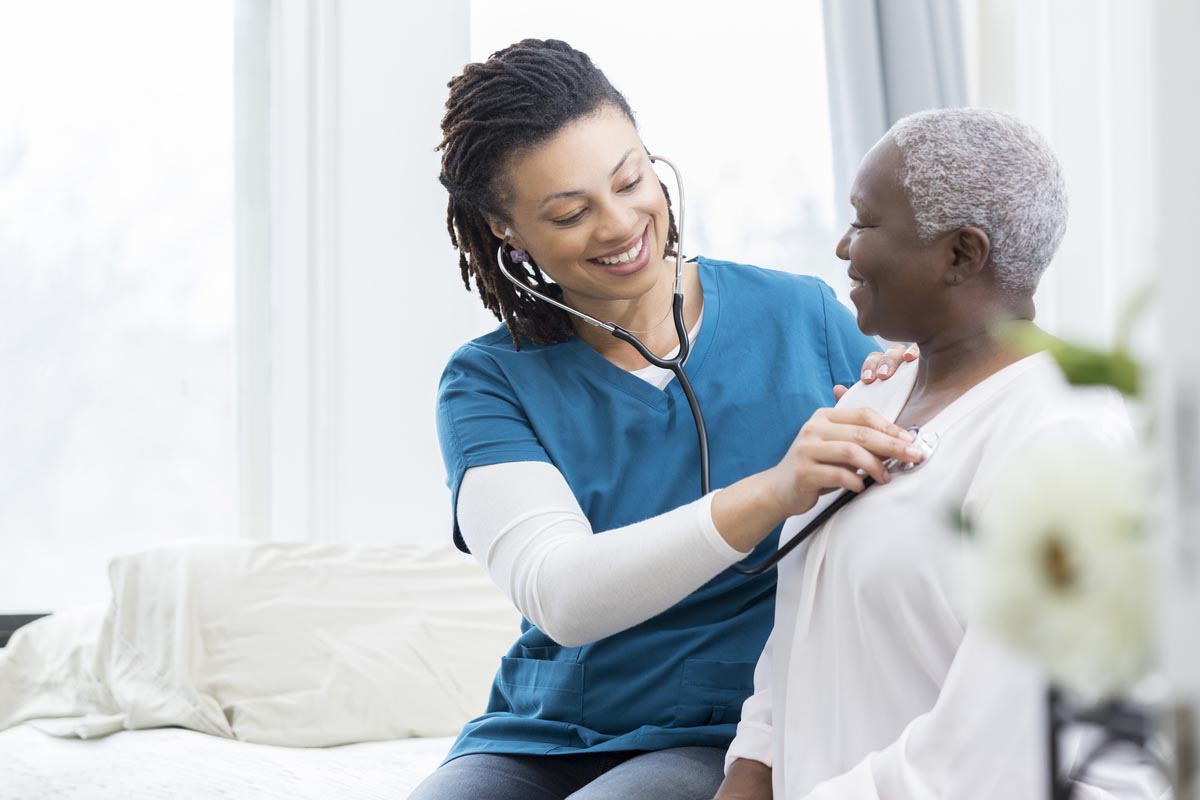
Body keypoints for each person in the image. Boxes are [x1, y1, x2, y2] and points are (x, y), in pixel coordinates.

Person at [411, 39, 921, 800]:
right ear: (505, 230)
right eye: (571, 211)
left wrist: (913, 386)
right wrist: (775, 491)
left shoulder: (800, 317)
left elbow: (923, 489)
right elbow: (564, 596)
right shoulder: (488, 382)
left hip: (723, 731)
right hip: (542, 735)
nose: (619, 225)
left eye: (630, 179)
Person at [716, 108, 1163, 799]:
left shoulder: (1065, 440)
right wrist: (749, 775)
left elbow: (988, 759)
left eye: (865, 222)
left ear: (962, 253)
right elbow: (801, 637)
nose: (842, 245)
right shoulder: (870, 398)